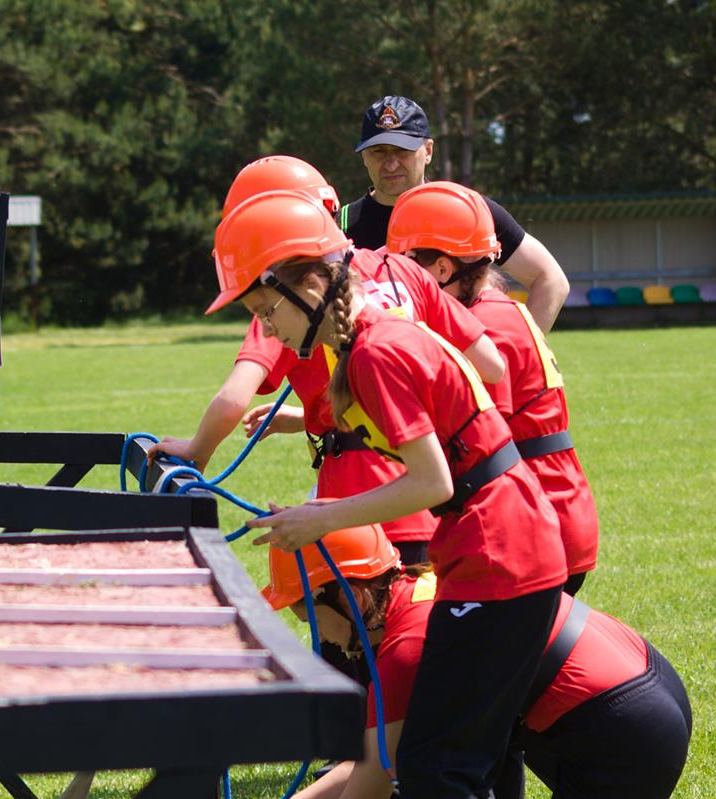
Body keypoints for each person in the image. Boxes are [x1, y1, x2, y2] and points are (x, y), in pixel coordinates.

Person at [213, 189, 567, 799]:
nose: (266, 327)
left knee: (439, 767)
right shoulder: (368, 337)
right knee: (452, 756)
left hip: (500, 550)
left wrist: (321, 520)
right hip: (493, 541)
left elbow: (434, 481)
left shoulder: (374, 350)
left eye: (267, 309)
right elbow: (478, 373)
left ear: (311, 284)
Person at [149, 155, 504, 567]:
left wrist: (196, 451)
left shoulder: (291, 300)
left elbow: (233, 399)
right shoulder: (398, 267)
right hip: (438, 506)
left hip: (359, 502)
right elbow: (489, 367)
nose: (267, 325)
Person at [262, 524, 692, 799]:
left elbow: (371, 783)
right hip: (642, 689)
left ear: (350, 597)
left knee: (423, 769)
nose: (317, 634)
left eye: (309, 616)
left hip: (621, 730)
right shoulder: (420, 587)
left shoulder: (408, 646)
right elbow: (374, 759)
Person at [386, 181, 599, 596]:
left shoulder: (486, 329)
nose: (405, 285)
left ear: (443, 270)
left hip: (535, 524)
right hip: (551, 510)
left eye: (411, 270)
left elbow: (478, 444)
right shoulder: (499, 312)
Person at [340, 95, 571, 333]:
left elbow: (551, 280)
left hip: (461, 357)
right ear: (363, 157)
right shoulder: (338, 226)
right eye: (378, 151)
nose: (391, 164)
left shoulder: (466, 211)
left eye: (402, 150)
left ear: (428, 151)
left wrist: (516, 350)